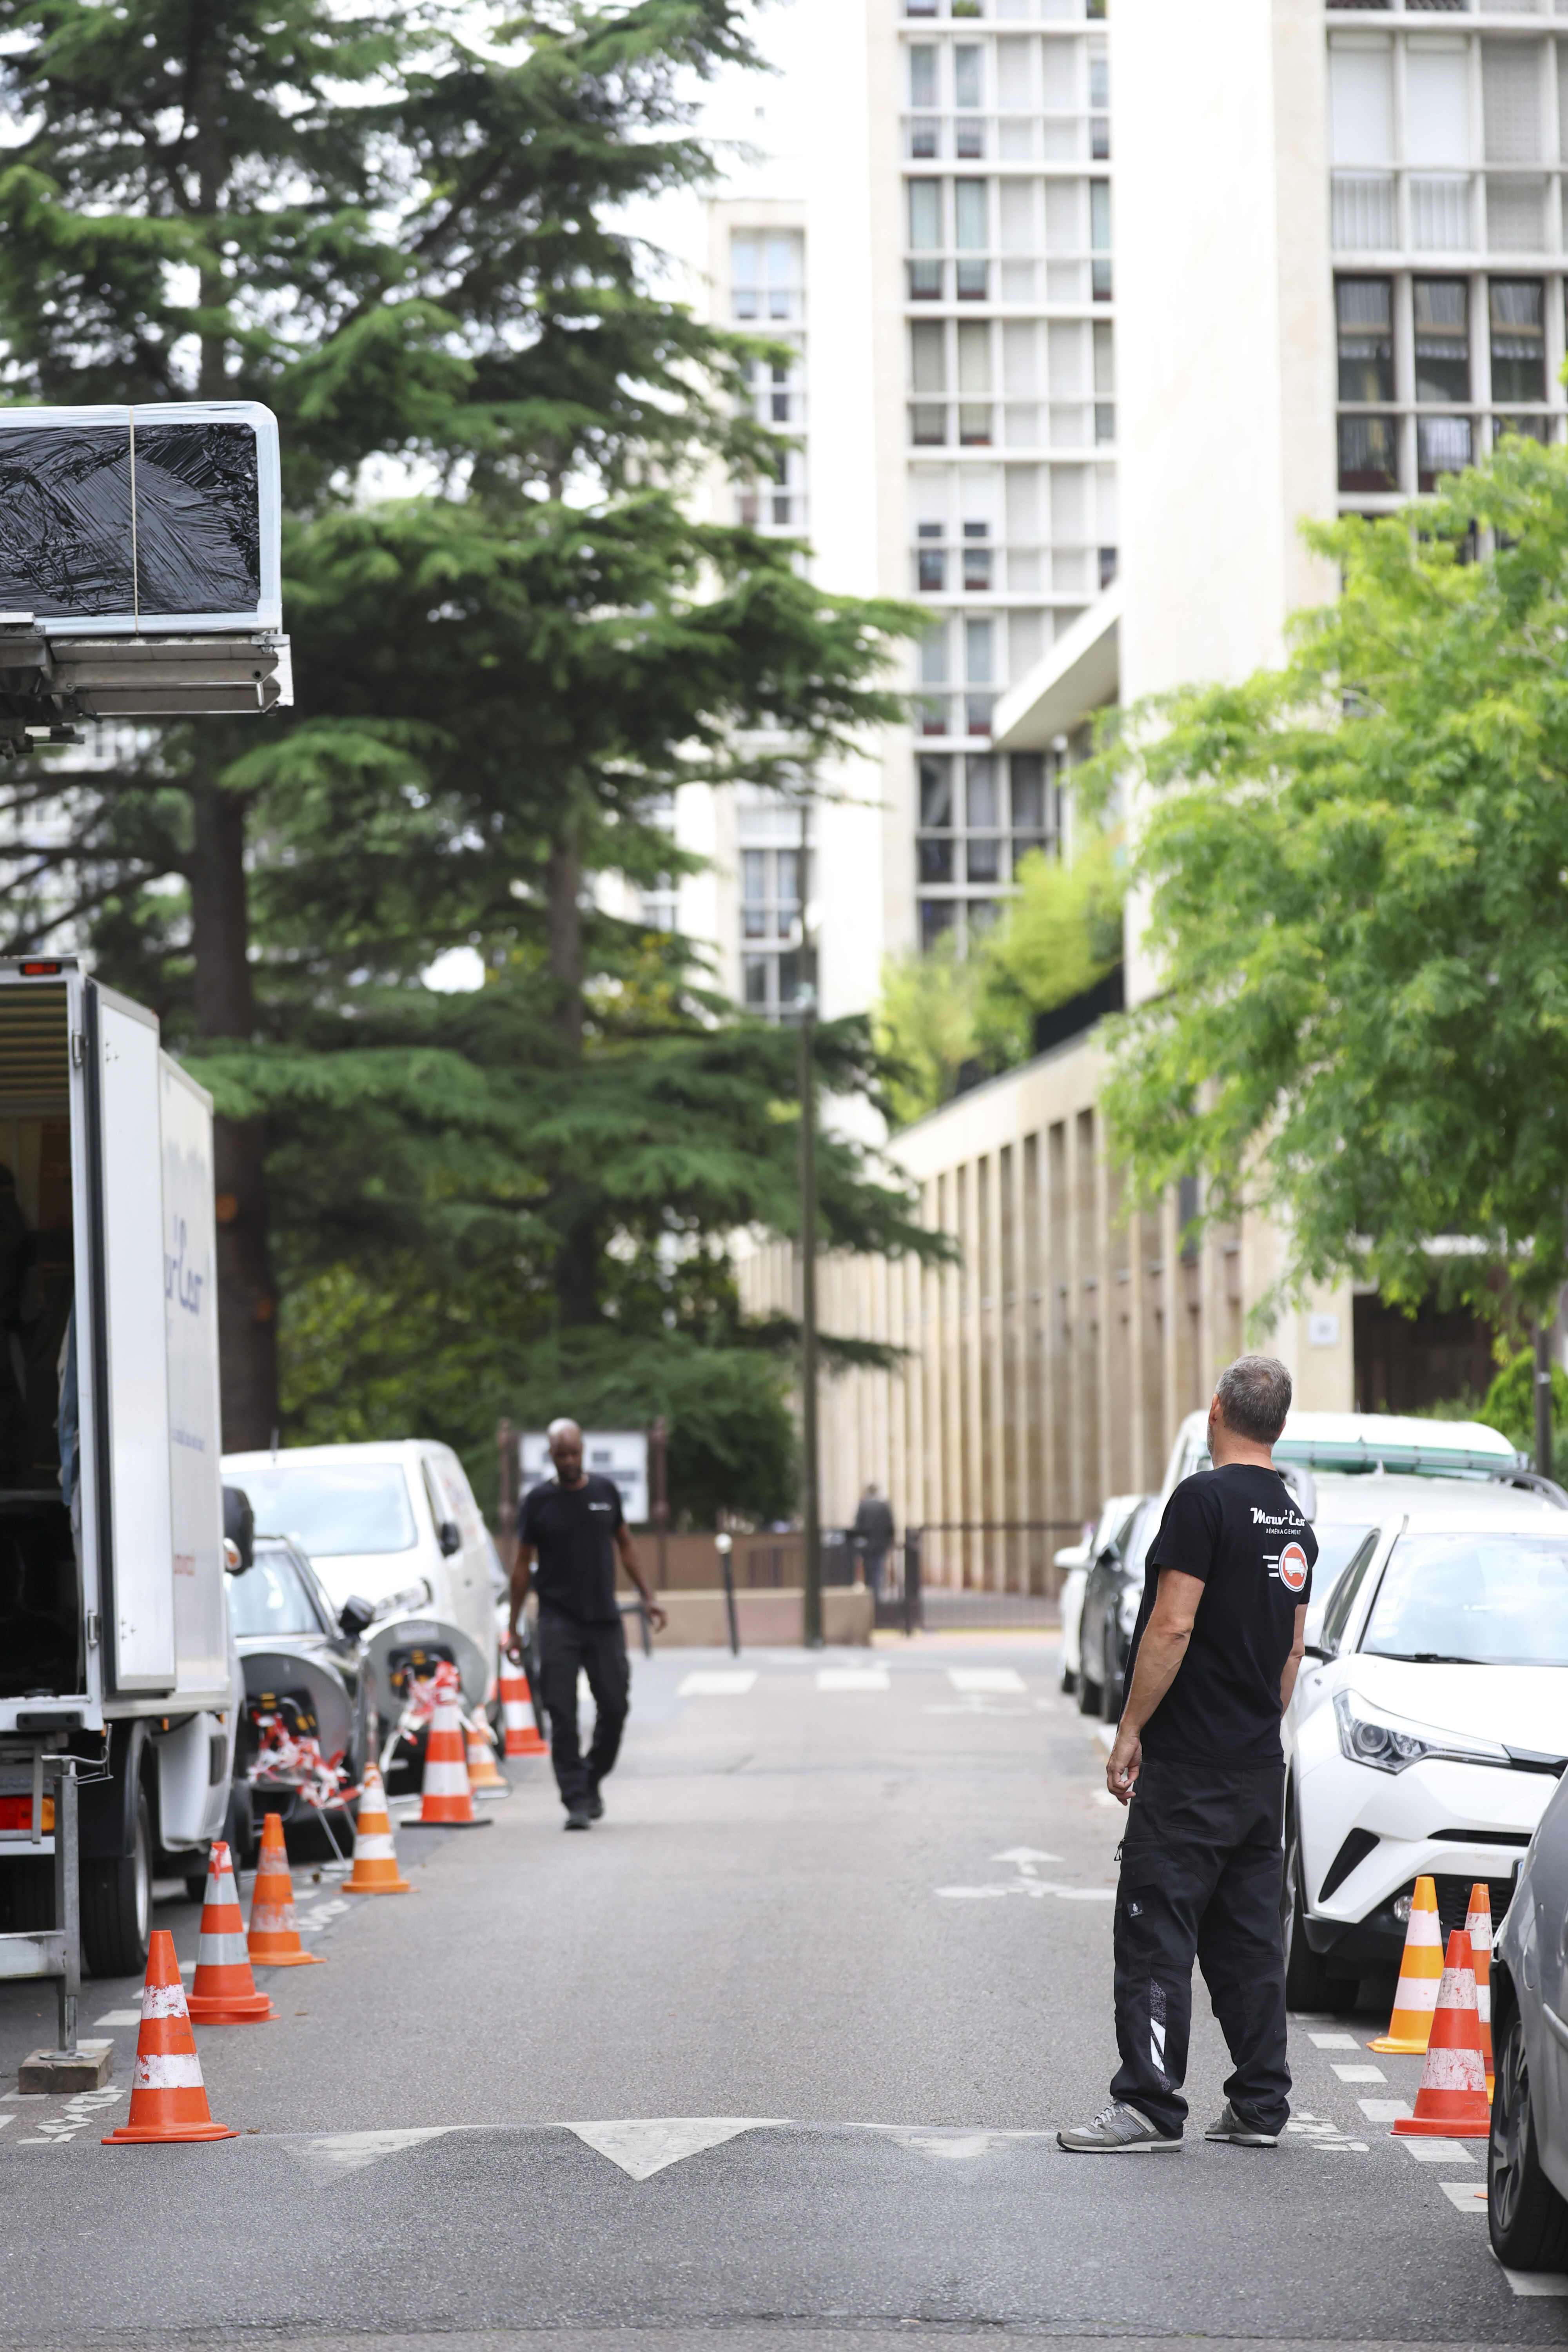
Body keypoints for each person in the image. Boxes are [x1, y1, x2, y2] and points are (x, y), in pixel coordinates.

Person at [1058, 1354, 1314, 2155]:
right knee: (1248, 1942)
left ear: (1215, 1411)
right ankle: (1260, 2105)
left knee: (1155, 1930)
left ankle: (1147, 2103)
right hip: (1255, 1767)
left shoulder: (1201, 1501)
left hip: (1190, 1765)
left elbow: (1171, 1625)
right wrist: (1253, 1727)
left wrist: (1129, 1729)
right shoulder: (1293, 1520)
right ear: (1279, 1425)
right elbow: (1292, 1652)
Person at [506, 1418, 667, 1831]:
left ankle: (591, 1776)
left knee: (615, 1706)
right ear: (551, 1455)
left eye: (574, 1453)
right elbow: (521, 1566)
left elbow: (626, 1545)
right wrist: (513, 1626)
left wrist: (648, 1596)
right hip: (557, 1620)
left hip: (603, 1619)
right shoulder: (538, 1502)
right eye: (561, 1454)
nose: (568, 1461)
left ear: (583, 1451)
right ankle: (576, 1799)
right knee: (561, 1711)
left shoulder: (604, 1493)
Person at [851, 1483, 895, 1598]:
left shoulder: (864, 1505)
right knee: (879, 1567)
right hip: (881, 1543)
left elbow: (858, 1525)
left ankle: (871, 1592)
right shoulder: (884, 1506)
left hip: (867, 1544)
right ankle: (877, 1593)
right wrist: (890, 1540)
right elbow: (890, 1526)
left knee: (868, 1568)